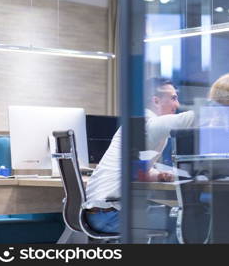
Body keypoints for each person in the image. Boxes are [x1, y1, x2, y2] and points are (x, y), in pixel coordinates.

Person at [84, 78, 195, 234]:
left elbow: (137, 171)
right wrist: (221, 106)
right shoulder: (146, 124)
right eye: (173, 98)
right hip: (110, 213)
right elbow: (186, 120)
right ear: (156, 101)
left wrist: (159, 175)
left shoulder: (137, 127)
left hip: (100, 211)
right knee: (184, 222)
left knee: (179, 216)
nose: (177, 105)